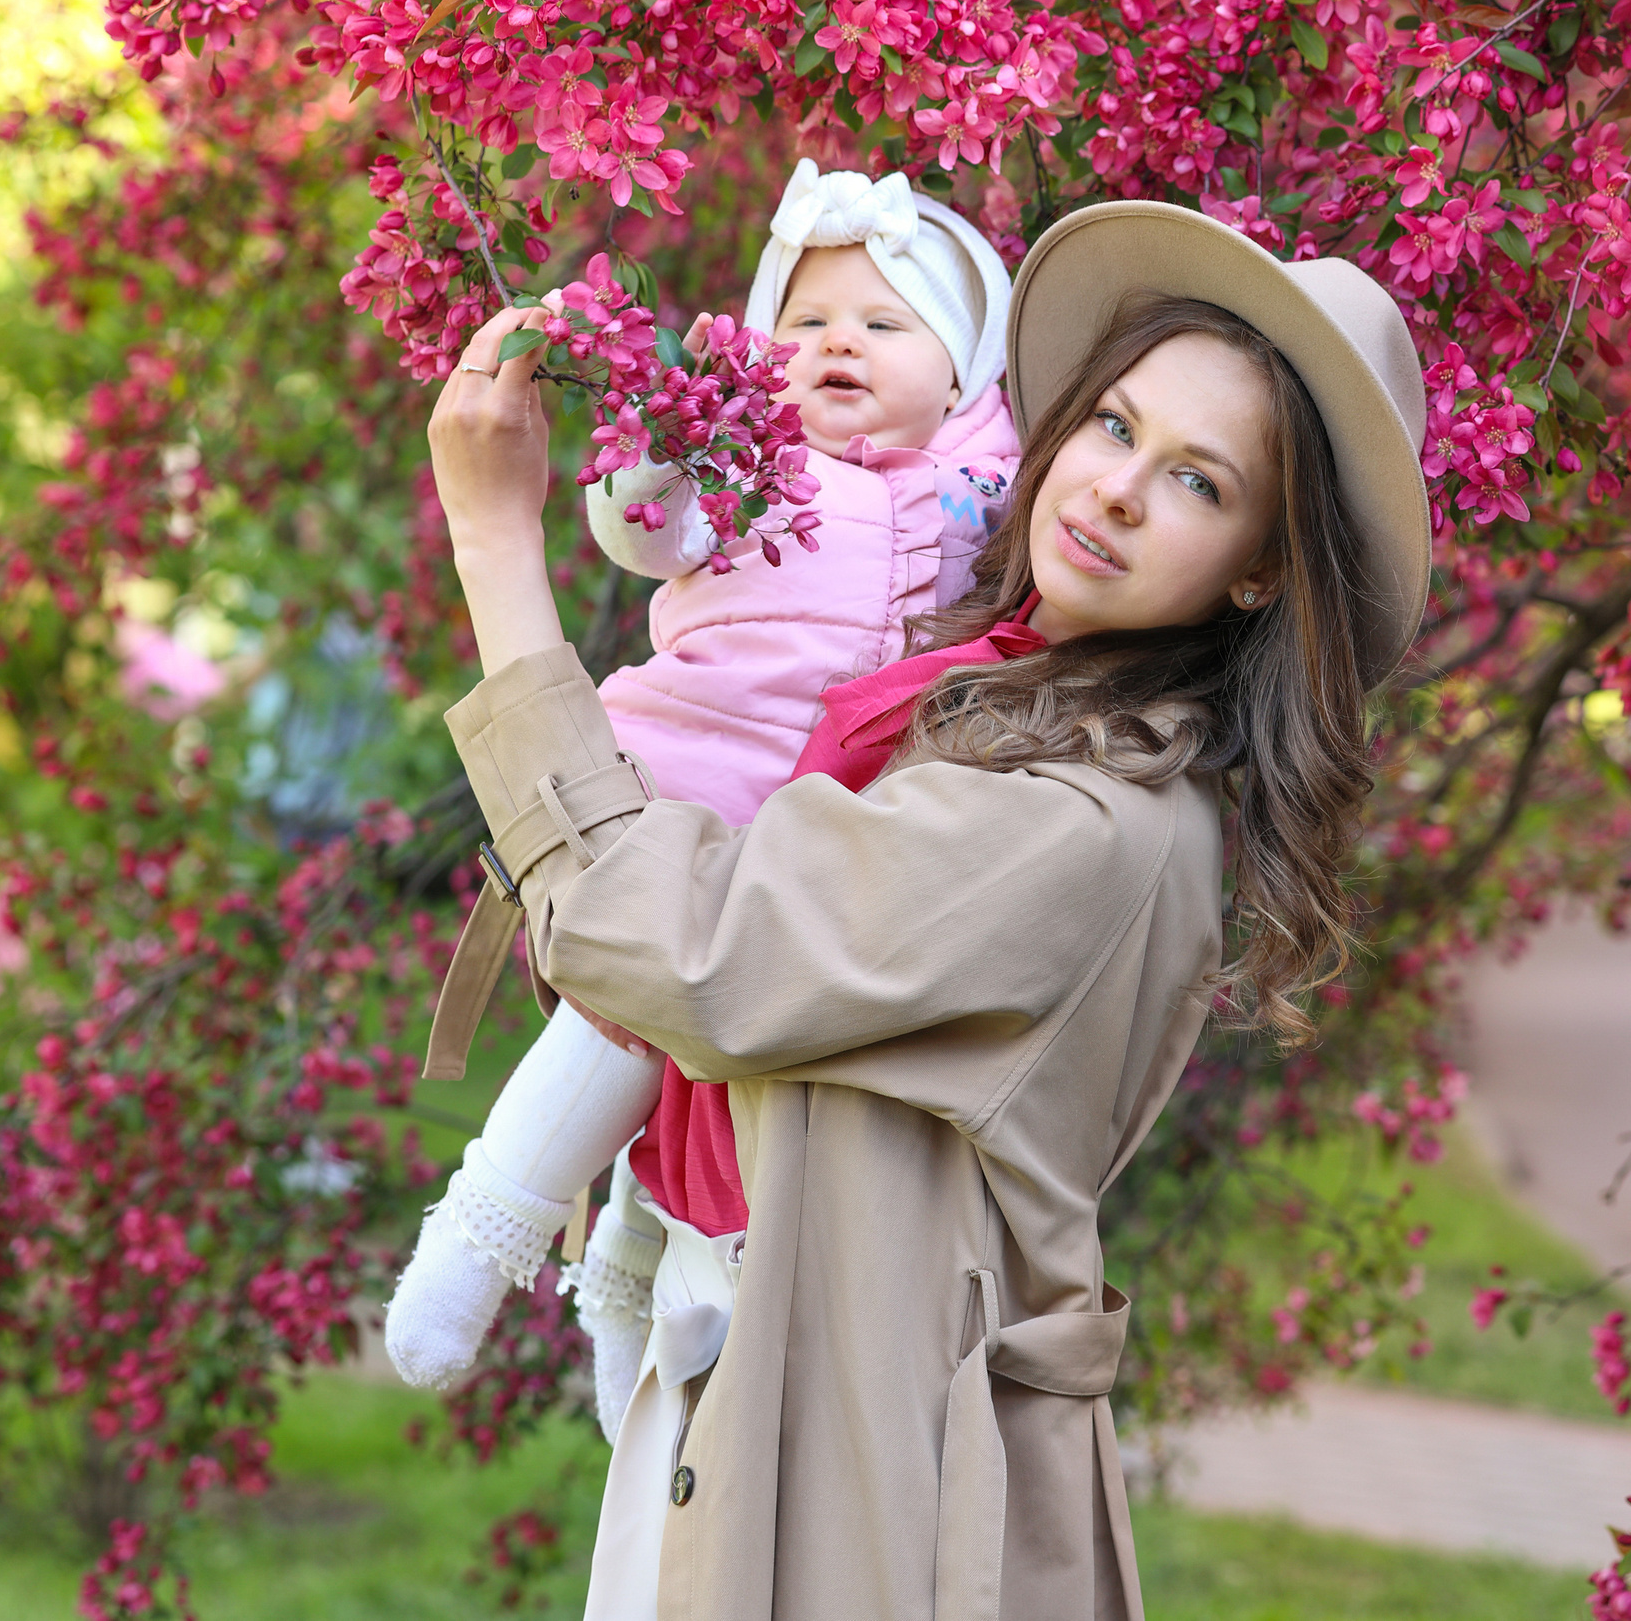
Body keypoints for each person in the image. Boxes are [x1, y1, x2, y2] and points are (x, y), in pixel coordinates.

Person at [424, 199, 1428, 1621]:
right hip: (792, 1411)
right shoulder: (989, 703)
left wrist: (492, 544)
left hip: (872, 1494)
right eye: (1116, 425)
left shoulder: (1079, 812)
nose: (1121, 489)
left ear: (1264, 564)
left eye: (1202, 482)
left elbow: (688, 950)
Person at [383, 159, 1018, 1445]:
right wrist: (655, 456)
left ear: (962, 375)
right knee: (622, 1024)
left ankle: (621, 1274)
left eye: (887, 326)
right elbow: (647, 526)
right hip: (696, 770)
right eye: (805, 323)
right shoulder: (753, 462)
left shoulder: (984, 484)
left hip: (826, 813)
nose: (838, 342)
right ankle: (487, 1217)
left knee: (696, 1070)